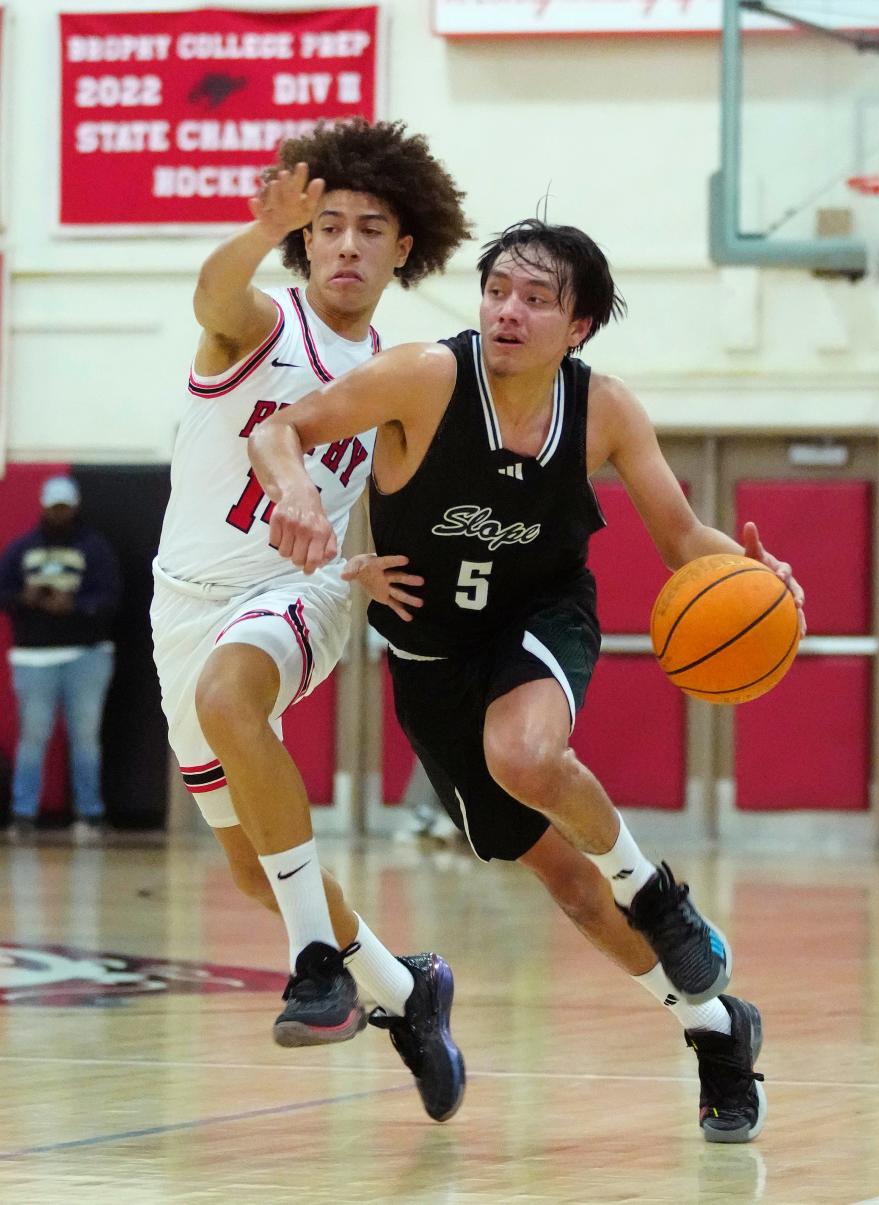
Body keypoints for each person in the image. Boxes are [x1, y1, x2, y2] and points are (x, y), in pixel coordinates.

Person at [249, 218, 808, 1144]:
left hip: (540, 618)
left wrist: (758, 580)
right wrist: (298, 491)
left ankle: (660, 894)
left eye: (537, 298)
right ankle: (716, 1026)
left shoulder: (604, 410)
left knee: (525, 751)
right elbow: (281, 429)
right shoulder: (426, 377)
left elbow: (683, 539)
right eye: (498, 289)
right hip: (432, 661)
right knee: (574, 892)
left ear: (577, 325)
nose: (509, 310)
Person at [150, 118, 471, 1122]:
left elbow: (393, 496)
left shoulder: (399, 374)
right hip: (185, 601)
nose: (344, 244)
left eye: (367, 228)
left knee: (232, 692)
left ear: (401, 246)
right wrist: (256, 229)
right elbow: (212, 294)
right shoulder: (259, 325)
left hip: (307, 590)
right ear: (304, 238)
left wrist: (366, 563)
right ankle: (406, 988)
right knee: (253, 866)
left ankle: (314, 969)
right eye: (327, 226)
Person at [0, 475, 121, 842]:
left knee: (85, 738)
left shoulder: (95, 548)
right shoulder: (21, 549)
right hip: (33, 658)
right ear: (43, 506)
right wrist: (27, 598)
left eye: (64, 507)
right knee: (32, 737)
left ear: (75, 507)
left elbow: (111, 597)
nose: (59, 513)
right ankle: (23, 816)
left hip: (86, 656)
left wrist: (76, 606)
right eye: (54, 506)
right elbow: (3, 592)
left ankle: (90, 814)